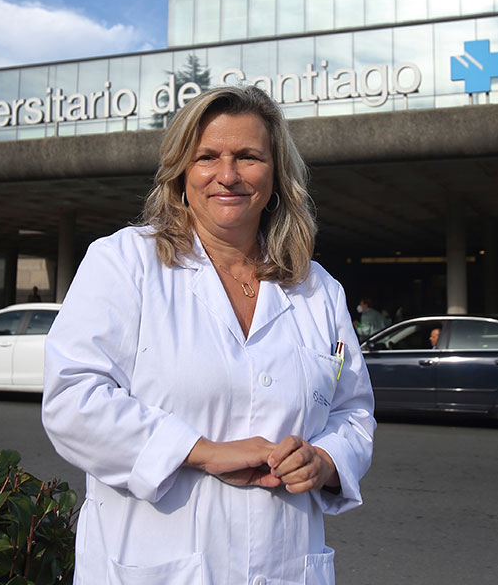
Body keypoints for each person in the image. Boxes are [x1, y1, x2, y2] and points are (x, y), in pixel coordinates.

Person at [42, 85, 375, 584]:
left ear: (276, 174)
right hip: (155, 563)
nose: (227, 174)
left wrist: (324, 460)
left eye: (248, 156)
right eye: (207, 157)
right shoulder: (125, 262)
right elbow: (72, 401)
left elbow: (353, 411)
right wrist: (200, 450)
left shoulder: (316, 288)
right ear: (181, 172)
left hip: (285, 564)